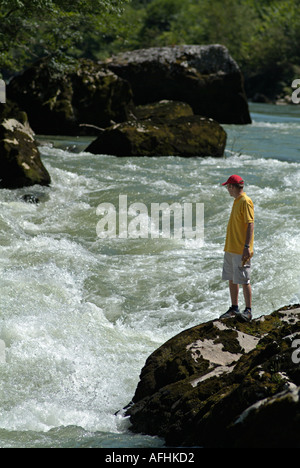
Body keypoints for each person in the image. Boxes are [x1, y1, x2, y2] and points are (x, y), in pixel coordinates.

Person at [219, 174, 254, 322]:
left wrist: (246, 246)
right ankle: (234, 308)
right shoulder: (237, 201)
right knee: (232, 278)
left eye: (228, 187)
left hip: (241, 249)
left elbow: (250, 224)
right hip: (231, 248)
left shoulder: (245, 201)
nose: (227, 189)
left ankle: (248, 311)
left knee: (244, 280)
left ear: (232, 187)